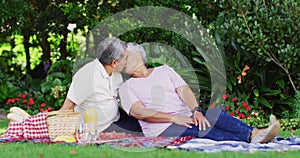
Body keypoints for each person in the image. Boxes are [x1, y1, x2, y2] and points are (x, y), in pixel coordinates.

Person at [119, 43, 281, 143]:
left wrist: (195, 111)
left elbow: (183, 90)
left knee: (214, 114)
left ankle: (254, 134)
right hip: (163, 129)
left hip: (187, 118)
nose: (122, 61)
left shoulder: (164, 70)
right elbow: (139, 112)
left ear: (139, 55)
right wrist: (174, 118)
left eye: (125, 56)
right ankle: (256, 139)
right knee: (204, 130)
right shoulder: (126, 87)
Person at [60, 37, 142, 135]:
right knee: (138, 131)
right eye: (125, 59)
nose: (126, 63)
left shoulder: (116, 75)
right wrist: (58, 133)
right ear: (114, 63)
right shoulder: (87, 75)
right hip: (100, 129)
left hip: (117, 119)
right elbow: (67, 106)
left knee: (143, 123)